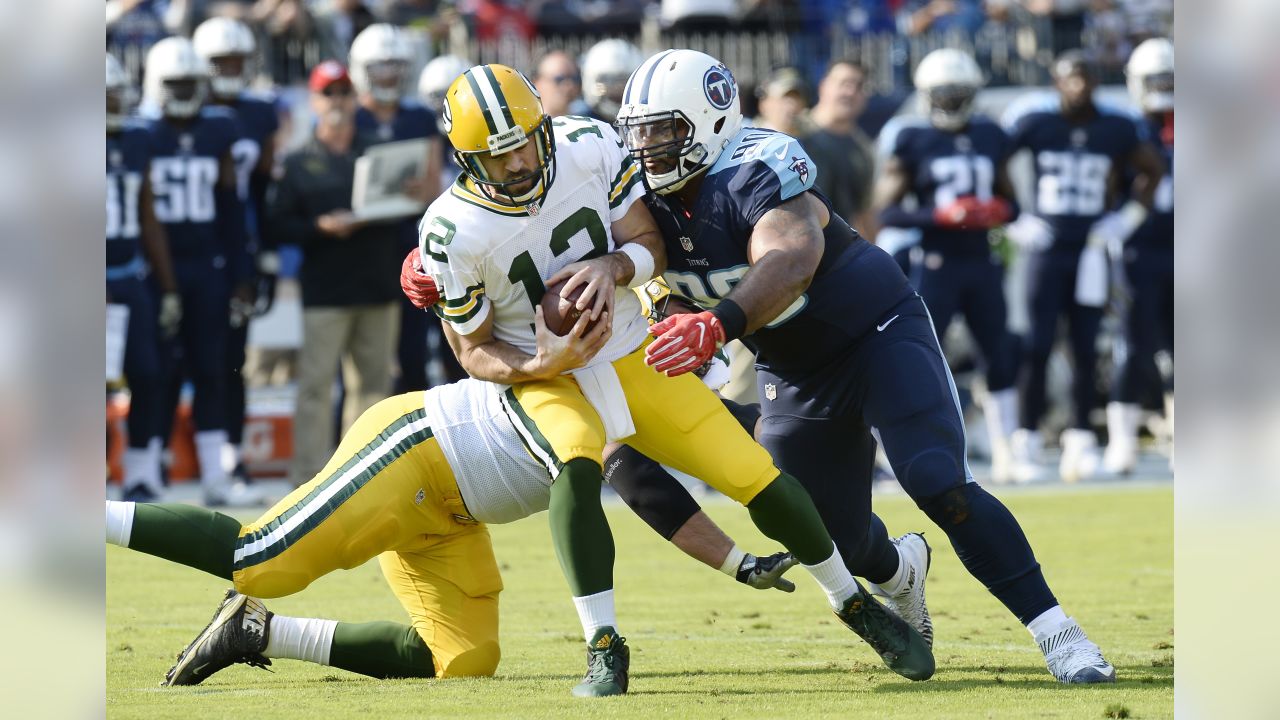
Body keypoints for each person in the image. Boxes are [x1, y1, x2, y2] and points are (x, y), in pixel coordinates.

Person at [417, 63, 934, 696]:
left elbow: (649, 244)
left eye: (525, 141)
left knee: (753, 473)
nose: (518, 162)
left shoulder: (589, 144)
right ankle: (603, 645)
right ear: (466, 160)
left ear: (543, 128)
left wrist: (611, 266)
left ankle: (853, 603)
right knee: (580, 469)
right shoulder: (448, 231)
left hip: (633, 347)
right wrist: (536, 366)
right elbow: (473, 352)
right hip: (548, 378)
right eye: (496, 158)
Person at [617, 48, 1116, 683]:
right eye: (639, 132)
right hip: (794, 371)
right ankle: (902, 572)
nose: (648, 149)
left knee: (938, 482)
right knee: (827, 536)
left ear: (712, 122)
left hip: (873, 331)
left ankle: (1059, 633)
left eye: (664, 131)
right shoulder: (636, 198)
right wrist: (663, 304)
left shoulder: (754, 165)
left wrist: (716, 324)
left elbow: (791, 259)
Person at [105, 378, 799, 686]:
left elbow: (675, 470)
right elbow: (635, 481)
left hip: (455, 516)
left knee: (462, 658)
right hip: (420, 450)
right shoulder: (602, 368)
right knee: (262, 560)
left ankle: (256, 634)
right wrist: (734, 561)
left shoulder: (650, 391)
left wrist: (742, 560)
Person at [1001, 51, 1165, 482]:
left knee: (1086, 346)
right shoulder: (1036, 121)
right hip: (1046, 247)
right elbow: (991, 158)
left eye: (1086, 77)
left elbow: (1153, 169)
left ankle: (1080, 438)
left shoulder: (1115, 126)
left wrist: (1125, 220)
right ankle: (1027, 440)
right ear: (1056, 81)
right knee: (1036, 344)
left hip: (1090, 249)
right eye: (1071, 78)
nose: (1079, 85)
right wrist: (1015, 216)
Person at [874, 49, 1023, 483]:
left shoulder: (991, 135)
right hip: (936, 262)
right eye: (943, 94)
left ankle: (1006, 450)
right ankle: (927, 448)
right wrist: (939, 216)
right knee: (924, 357)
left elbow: (1013, 202)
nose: (951, 102)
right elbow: (887, 211)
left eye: (958, 94)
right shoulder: (913, 139)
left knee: (997, 353)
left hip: (982, 260)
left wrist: (998, 209)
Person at [270, 61, 402, 489]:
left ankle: (360, 479)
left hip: (376, 284)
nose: (338, 102)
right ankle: (308, 480)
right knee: (316, 387)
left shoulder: (376, 151)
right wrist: (319, 227)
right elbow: (277, 225)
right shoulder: (297, 160)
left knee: (372, 390)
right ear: (314, 100)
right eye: (329, 93)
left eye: (344, 92)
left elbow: (401, 212)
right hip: (325, 290)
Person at [140, 36, 253, 506]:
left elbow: (231, 206)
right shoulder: (140, 132)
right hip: (154, 271)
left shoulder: (219, 128)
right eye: (175, 83)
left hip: (208, 267)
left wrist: (243, 271)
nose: (184, 91)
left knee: (211, 368)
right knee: (155, 371)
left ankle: (215, 473)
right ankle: (148, 468)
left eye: (191, 83)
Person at [193, 17, 282, 493]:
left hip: (235, 248)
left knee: (230, 358)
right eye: (219, 61)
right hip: (183, 251)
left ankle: (230, 455)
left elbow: (264, 189)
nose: (229, 69)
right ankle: (161, 459)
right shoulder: (175, 111)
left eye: (236, 60)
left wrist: (262, 255)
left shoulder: (258, 113)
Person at [349, 23, 445, 395]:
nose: (389, 75)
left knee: (414, 348)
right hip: (361, 244)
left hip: (407, 236)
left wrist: (418, 191)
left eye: (395, 66)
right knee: (361, 357)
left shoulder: (419, 118)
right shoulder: (353, 118)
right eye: (379, 67)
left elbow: (432, 188)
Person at [107, 52, 182, 502]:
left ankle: (140, 470)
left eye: (113, 93)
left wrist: (168, 286)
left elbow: (148, 215)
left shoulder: (136, 140)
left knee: (148, 374)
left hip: (129, 276)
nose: (111, 102)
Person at [1103, 38, 1174, 474]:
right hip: (1137, 249)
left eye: (1169, 79)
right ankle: (1122, 441)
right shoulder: (1125, 128)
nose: (1164, 88)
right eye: (1156, 79)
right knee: (1132, 345)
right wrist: (1124, 221)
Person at [803, 58, 878, 238]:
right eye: (844, 83)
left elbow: (864, 212)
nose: (850, 92)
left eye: (858, 86)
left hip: (836, 252)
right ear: (823, 86)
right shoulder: (792, 132)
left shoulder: (863, 149)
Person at [580, 39, 645, 125]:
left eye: (625, 81)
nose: (618, 87)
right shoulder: (582, 123)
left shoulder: (644, 120)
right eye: (608, 80)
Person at [531, 50, 587, 118]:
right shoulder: (523, 126)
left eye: (574, 78)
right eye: (559, 79)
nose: (569, 85)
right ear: (537, 82)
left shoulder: (588, 123)